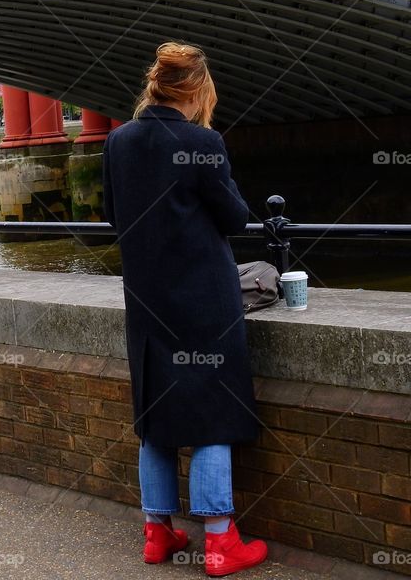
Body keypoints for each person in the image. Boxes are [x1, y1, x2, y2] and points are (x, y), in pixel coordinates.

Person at [102, 42, 267, 577]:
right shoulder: (203, 142)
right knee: (211, 413)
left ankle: (158, 532)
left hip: (147, 299)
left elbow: (111, 213)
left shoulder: (118, 142)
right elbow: (235, 217)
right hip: (203, 301)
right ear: (196, 89)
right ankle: (219, 541)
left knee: (156, 416)